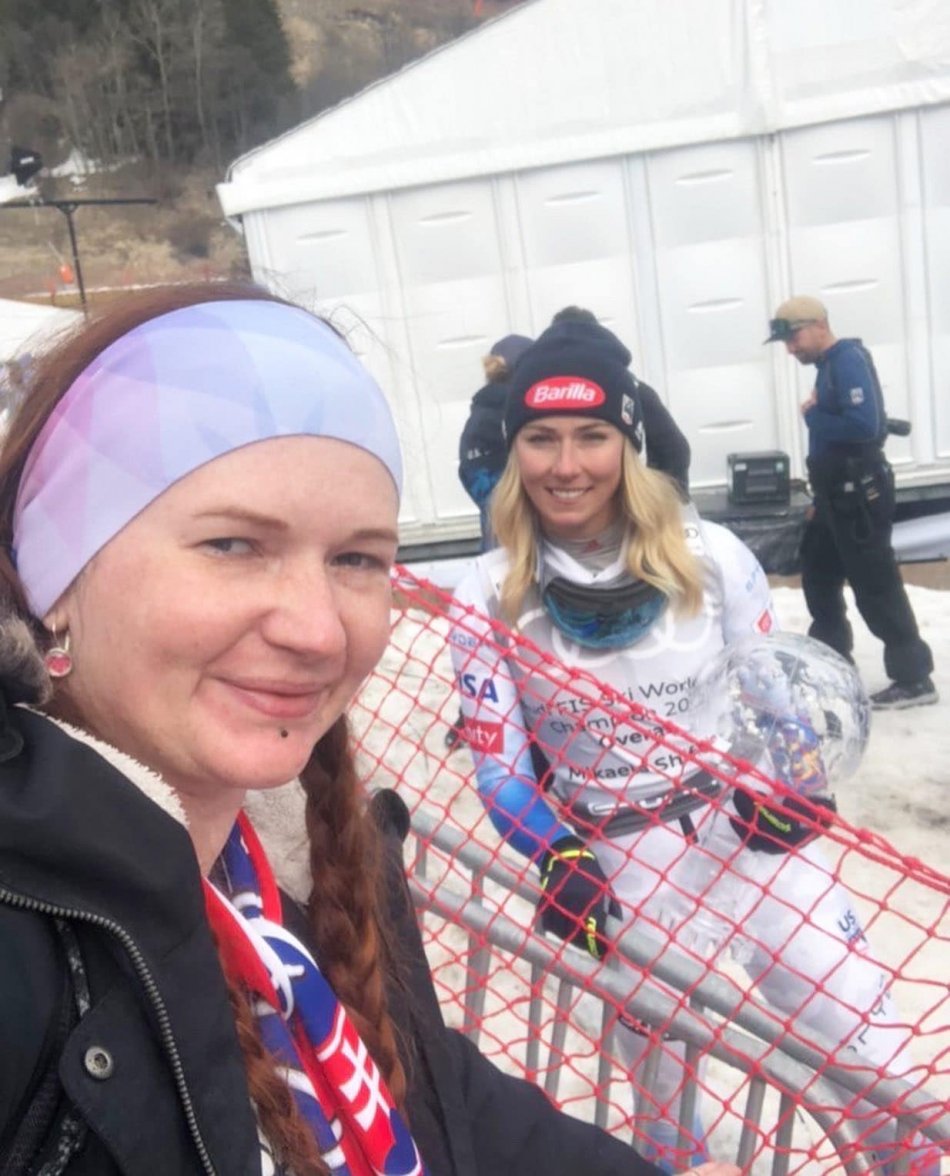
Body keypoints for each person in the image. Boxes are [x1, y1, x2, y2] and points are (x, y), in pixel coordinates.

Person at [0, 283, 743, 1176]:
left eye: (357, 559)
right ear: (54, 577)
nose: (319, 631)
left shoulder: (299, 870)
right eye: (233, 545)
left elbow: (448, 1106)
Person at [448, 316, 937, 1172]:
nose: (567, 465)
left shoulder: (713, 554)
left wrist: (802, 791)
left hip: (744, 838)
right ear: (513, 449)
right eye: (541, 438)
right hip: (622, 868)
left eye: (592, 436)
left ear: (628, 443)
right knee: (669, 1114)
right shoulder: (485, 592)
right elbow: (501, 770)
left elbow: (776, 698)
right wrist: (557, 855)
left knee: (882, 1067)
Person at [765, 295, 936, 710]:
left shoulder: (847, 361)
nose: (790, 349)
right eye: (785, 342)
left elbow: (864, 426)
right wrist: (819, 497)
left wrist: (813, 416)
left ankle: (914, 678)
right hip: (833, 496)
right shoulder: (829, 366)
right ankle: (831, 661)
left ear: (820, 325)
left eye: (794, 337)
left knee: (875, 585)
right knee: (819, 575)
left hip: (858, 496)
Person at [458, 333, 534, 550]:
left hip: (481, 479)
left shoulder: (483, 405)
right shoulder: (515, 404)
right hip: (504, 480)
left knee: (496, 537)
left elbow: (467, 466)